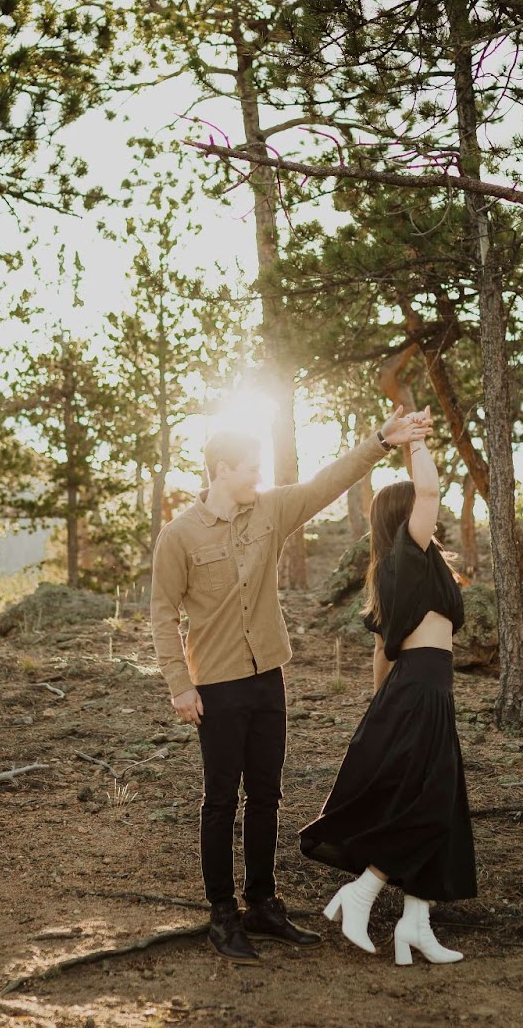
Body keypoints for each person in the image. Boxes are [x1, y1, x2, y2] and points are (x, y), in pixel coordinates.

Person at [151, 406, 433, 964]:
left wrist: (381, 439)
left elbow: (328, 482)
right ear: (221, 468)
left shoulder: (271, 510)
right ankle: (222, 915)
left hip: (267, 679)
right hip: (217, 687)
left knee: (267, 797)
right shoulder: (178, 536)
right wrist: (180, 685)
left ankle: (262, 904)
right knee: (220, 802)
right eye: (249, 465)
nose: (258, 473)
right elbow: (162, 615)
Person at [299, 407, 476, 965]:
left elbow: (383, 649)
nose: (437, 517)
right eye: (425, 512)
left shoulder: (407, 569)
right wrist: (416, 441)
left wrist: (382, 707)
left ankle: (415, 925)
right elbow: (429, 488)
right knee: (428, 806)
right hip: (421, 691)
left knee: (443, 808)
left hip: (421, 692)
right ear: (405, 518)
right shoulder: (409, 552)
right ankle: (363, 889)